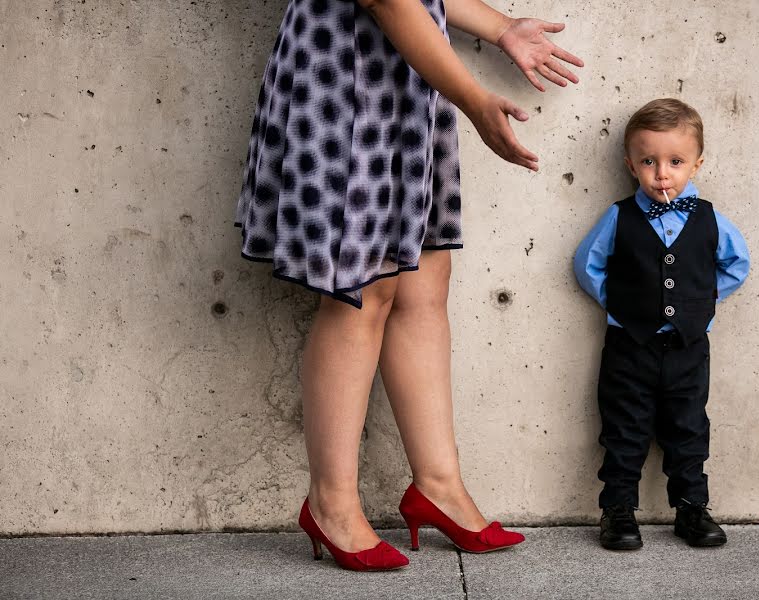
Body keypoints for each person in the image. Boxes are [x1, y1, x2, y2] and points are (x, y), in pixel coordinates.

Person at [235, 0, 583, 571]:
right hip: (347, 83)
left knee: (423, 281)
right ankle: (332, 503)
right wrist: (473, 99)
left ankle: (439, 485)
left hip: (405, 84)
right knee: (360, 292)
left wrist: (499, 28)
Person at [573, 98, 750, 551]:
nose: (661, 173)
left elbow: (737, 264)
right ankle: (617, 511)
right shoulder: (619, 216)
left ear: (697, 164)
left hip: (689, 347)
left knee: (688, 427)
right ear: (632, 165)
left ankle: (691, 508)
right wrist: (621, 307)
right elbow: (587, 265)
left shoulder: (710, 219)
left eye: (675, 162)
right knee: (623, 428)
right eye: (649, 162)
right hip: (630, 347)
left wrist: (701, 304)